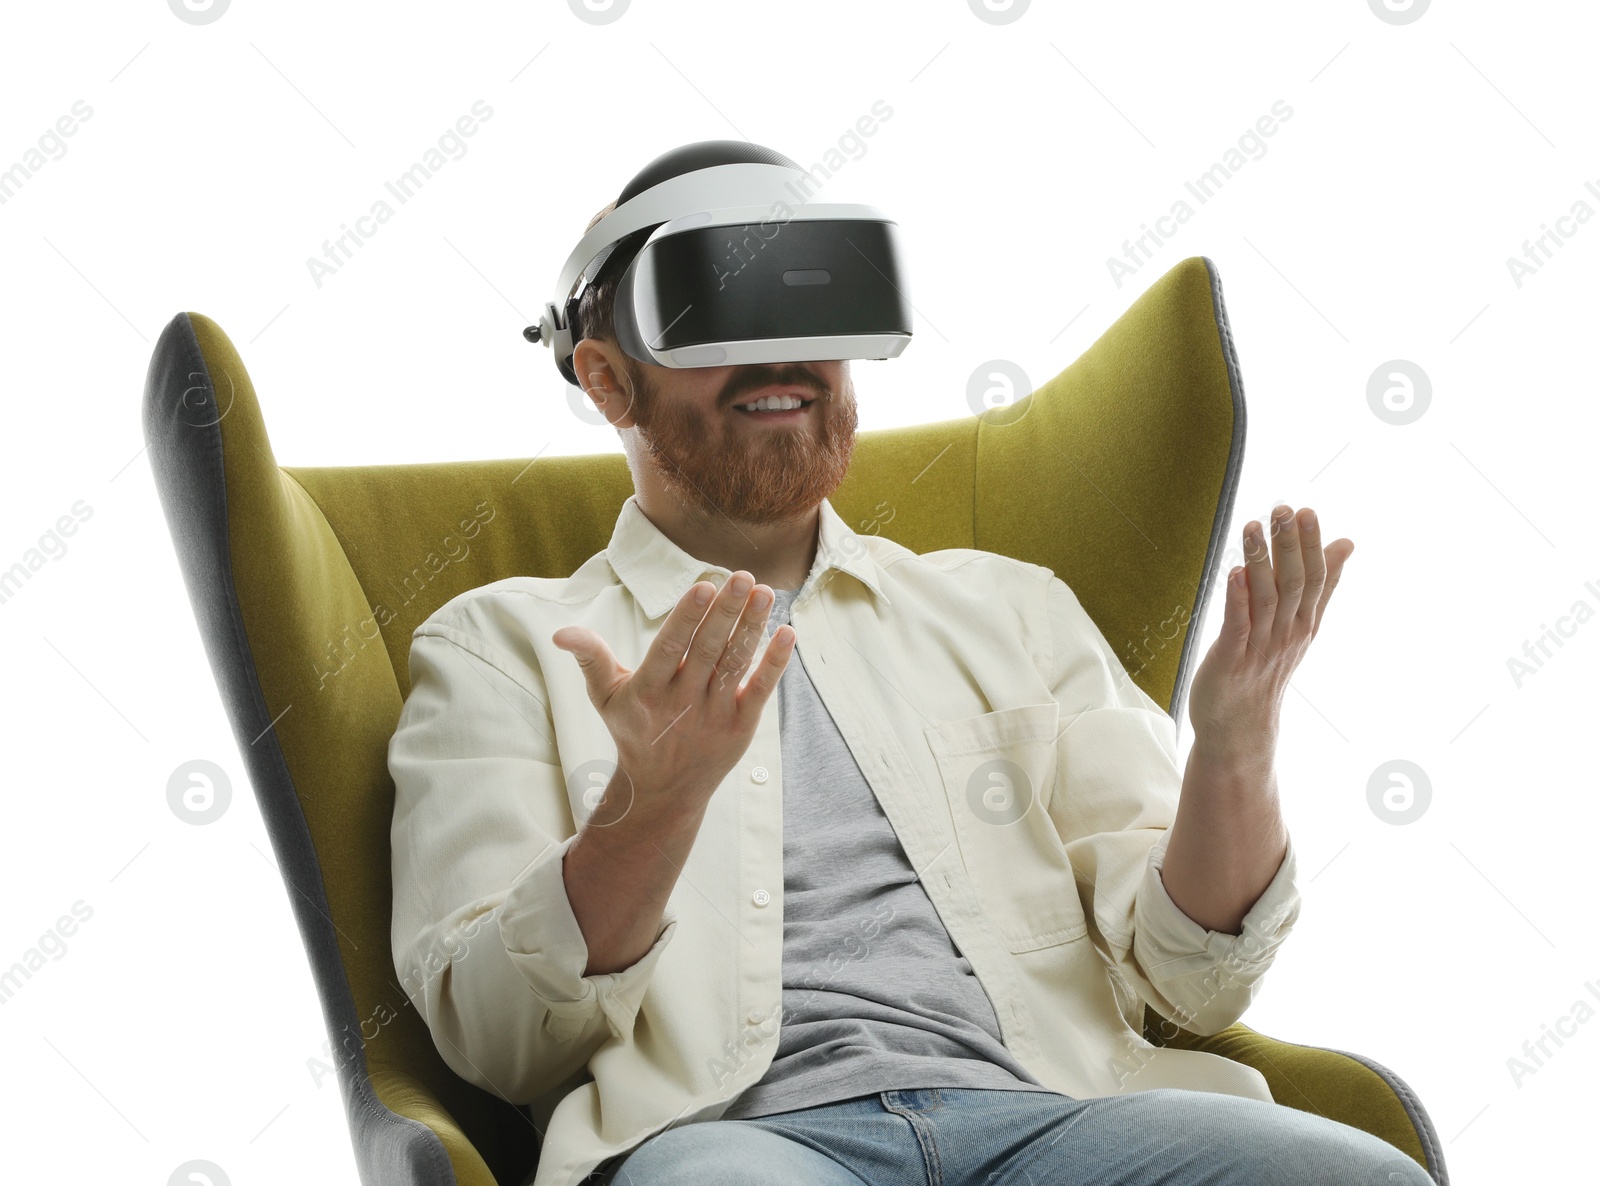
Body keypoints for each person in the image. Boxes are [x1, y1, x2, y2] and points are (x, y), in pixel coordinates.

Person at [388, 148, 1424, 1186]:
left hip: (1054, 1116)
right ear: (608, 379)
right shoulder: (503, 646)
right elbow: (496, 1038)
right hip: (737, 1144)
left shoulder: (1005, 606)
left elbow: (1190, 978)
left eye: (810, 313)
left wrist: (1237, 745)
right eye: (722, 310)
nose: (783, 357)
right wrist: (649, 808)